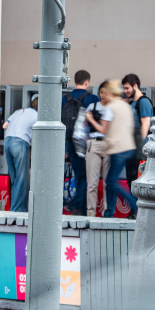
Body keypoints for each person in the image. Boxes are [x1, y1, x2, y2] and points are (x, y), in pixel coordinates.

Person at [91, 80, 138, 218]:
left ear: (110, 93)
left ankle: (134, 205)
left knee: (111, 182)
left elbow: (103, 130)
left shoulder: (110, 108)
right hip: (128, 147)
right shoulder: (126, 106)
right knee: (111, 182)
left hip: (117, 148)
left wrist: (91, 119)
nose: (104, 96)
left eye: (105, 93)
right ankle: (109, 212)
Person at [62, 70, 100, 215]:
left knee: (78, 174)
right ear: (87, 82)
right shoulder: (92, 98)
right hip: (87, 143)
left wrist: (66, 150)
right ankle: (79, 206)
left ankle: (79, 206)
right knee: (86, 176)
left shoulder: (66, 98)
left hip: (70, 142)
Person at [2, 94, 38, 212]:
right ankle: (18, 210)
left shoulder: (19, 111)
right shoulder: (37, 115)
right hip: (20, 142)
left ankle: (15, 208)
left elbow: (5, 125)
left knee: (15, 178)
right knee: (22, 179)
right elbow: (37, 136)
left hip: (7, 142)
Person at [83, 81, 113, 217]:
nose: (103, 95)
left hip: (109, 144)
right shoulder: (92, 106)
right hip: (94, 143)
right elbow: (83, 126)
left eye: (105, 92)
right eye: (101, 92)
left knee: (108, 183)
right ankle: (91, 213)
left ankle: (107, 214)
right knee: (92, 183)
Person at [121, 74, 154, 188]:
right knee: (131, 180)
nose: (125, 91)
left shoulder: (143, 102)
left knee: (136, 181)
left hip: (138, 151)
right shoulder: (132, 103)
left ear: (135, 86)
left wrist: (140, 150)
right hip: (131, 149)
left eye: (127, 88)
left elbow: (145, 125)